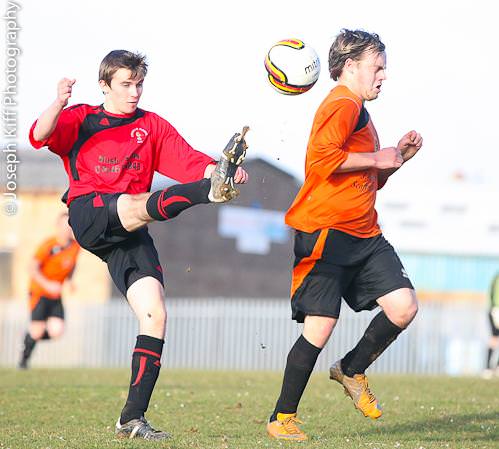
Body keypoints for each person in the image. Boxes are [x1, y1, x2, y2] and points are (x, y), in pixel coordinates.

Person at [29, 50, 249, 440]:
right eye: (126, 84)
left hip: (129, 230)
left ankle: (131, 418)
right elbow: (40, 135)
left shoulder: (151, 125)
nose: (134, 92)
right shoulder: (81, 118)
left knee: (156, 314)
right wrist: (58, 101)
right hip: (90, 212)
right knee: (136, 204)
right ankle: (207, 194)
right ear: (105, 85)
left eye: (139, 84)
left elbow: (186, 159)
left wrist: (220, 170)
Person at [266, 29, 423, 441]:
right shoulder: (341, 102)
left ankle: (351, 369)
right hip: (325, 233)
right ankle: (281, 418)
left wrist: (395, 160)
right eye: (378, 66)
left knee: (403, 306)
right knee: (320, 326)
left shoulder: (360, 113)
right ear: (350, 66)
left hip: (365, 233)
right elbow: (322, 160)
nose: (383, 75)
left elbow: (365, 179)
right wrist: (378, 155)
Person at [19, 211, 80, 369]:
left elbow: (72, 265)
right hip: (39, 291)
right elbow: (31, 268)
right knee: (37, 332)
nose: (67, 229)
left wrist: (71, 281)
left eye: (69, 225)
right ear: (57, 226)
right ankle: (24, 360)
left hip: (55, 294)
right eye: (64, 225)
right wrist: (47, 284)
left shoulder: (75, 246)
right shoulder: (49, 245)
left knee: (56, 331)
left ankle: (32, 335)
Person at [484, 272, 499, 378]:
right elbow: (492, 296)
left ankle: (497, 367)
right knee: (494, 338)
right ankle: (488, 368)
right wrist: (494, 310)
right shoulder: (497, 278)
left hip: (494, 310)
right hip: (496, 310)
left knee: (495, 339)